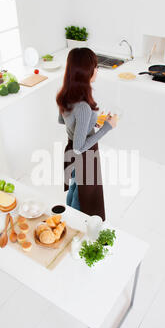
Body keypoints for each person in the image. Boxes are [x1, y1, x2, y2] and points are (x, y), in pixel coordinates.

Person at [57, 48, 118, 221]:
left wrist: (92, 122)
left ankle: (67, 218)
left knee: (75, 187)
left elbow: (63, 121)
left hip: (70, 149)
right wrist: (107, 126)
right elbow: (79, 148)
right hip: (84, 156)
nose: (97, 70)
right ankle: (75, 224)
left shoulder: (65, 93)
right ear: (86, 72)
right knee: (83, 197)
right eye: (95, 67)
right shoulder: (84, 105)